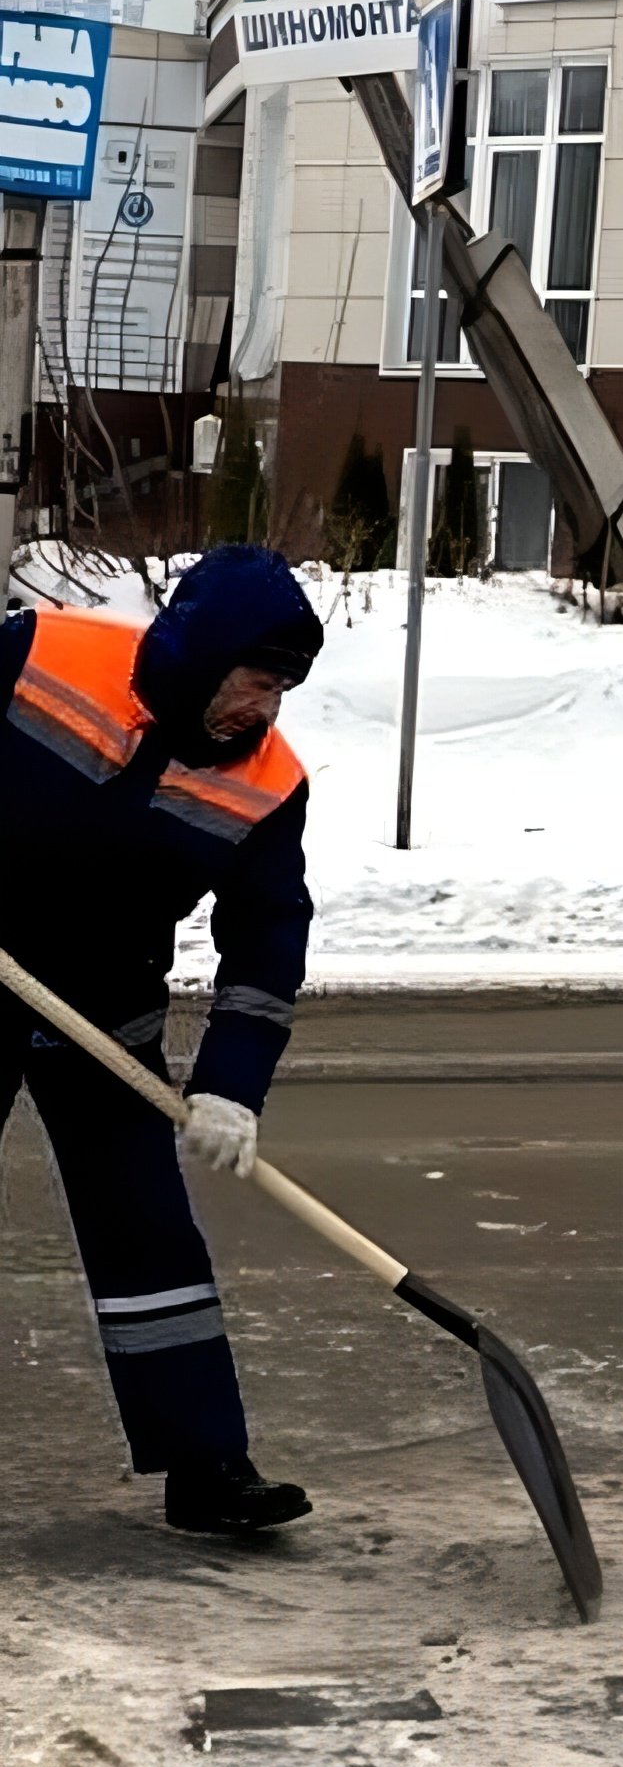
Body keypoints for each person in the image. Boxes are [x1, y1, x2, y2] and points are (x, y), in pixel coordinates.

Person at [0, 544, 324, 1534]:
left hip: (103, 1010)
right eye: (257, 679)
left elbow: (269, 937)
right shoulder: (41, 654)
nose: (266, 708)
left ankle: (204, 1462)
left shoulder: (268, 781)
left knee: (148, 1228)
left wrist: (231, 1085)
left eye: (283, 687)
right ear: (206, 653)